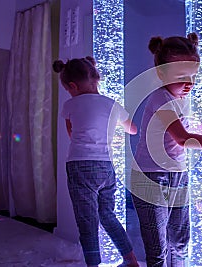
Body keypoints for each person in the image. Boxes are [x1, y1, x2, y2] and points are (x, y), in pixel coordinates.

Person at [130, 33, 202, 267]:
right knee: (158, 247)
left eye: (193, 76)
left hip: (179, 175)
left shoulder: (183, 99)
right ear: (161, 73)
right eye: (181, 76)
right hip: (150, 177)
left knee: (180, 241)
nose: (189, 83)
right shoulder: (160, 98)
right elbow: (184, 138)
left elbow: (194, 128)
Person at [53, 56, 139, 267]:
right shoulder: (111, 104)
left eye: (68, 89)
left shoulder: (71, 104)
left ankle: (93, 264)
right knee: (107, 215)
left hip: (80, 165)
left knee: (87, 220)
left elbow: (72, 134)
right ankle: (131, 260)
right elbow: (133, 129)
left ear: (72, 86)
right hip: (106, 167)